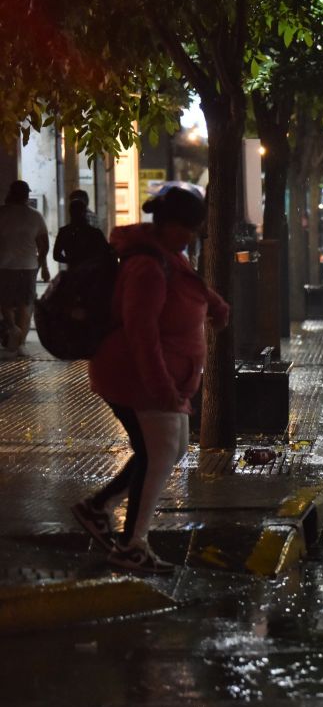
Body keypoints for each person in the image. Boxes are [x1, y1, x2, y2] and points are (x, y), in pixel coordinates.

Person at [71, 186, 229, 573]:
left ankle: (98, 508)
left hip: (157, 379)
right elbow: (142, 335)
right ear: (169, 224)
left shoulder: (167, 255)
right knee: (158, 455)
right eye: (187, 229)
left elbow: (186, 283)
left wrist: (213, 303)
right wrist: (163, 390)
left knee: (168, 451)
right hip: (136, 377)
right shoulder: (145, 266)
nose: (191, 237)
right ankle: (131, 546)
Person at [0, 180, 50, 357]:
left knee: (4, 302)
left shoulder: (2, 213)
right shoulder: (35, 216)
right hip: (28, 266)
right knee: (26, 304)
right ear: (27, 195)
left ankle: (12, 328)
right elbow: (43, 245)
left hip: (4, 266)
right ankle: (20, 344)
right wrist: (43, 266)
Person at [53, 197, 111, 269]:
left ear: (70, 213)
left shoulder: (64, 232)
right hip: (92, 272)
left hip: (74, 271)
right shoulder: (95, 232)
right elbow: (106, 252)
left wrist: (71, 260)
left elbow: (56, 256)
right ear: (84, 213)